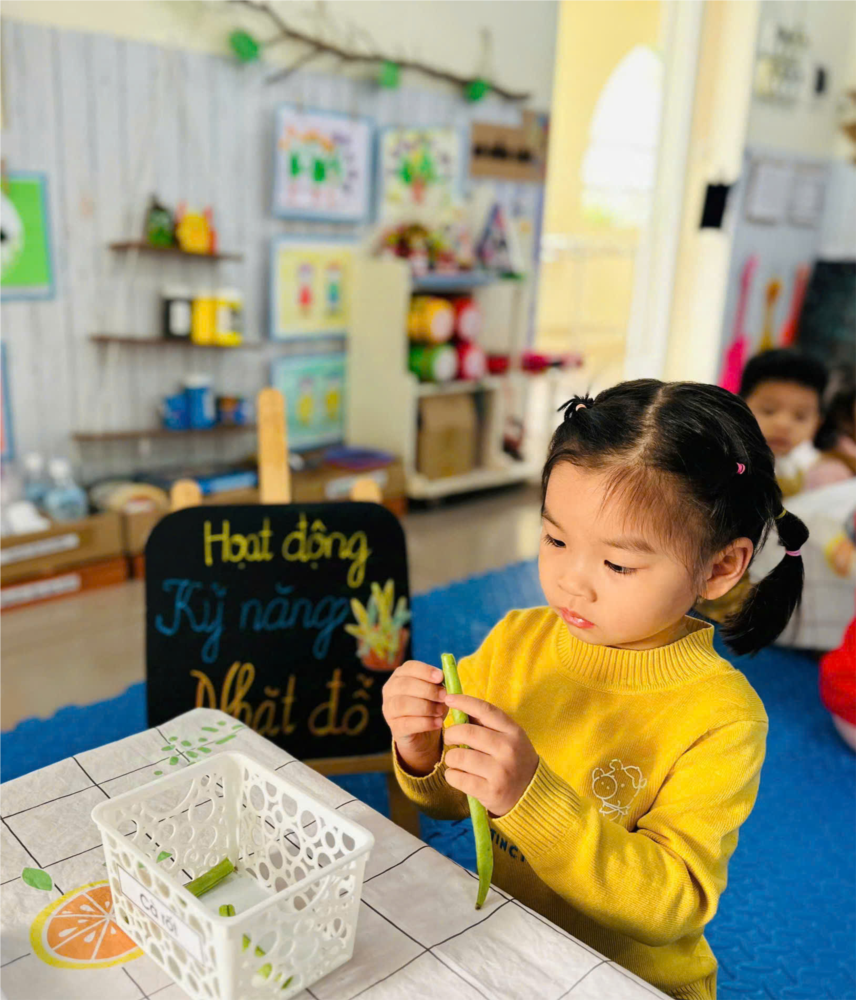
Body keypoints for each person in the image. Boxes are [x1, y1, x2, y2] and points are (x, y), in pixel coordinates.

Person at [383, 380, 808, 1000]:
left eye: (618, 564)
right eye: (555, 540)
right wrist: (423, 751)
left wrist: (531, 797)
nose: (571, 583)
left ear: (719, 567)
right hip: (512, 948)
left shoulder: (723, 718)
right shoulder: (518, 640)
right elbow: (454, 804)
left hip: (631, 981)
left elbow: (672, 904)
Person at [739, 348, 828, 498]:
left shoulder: (809, 471)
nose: (783, 424)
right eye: (768, 411)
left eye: (800, 416)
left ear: (817, 424)